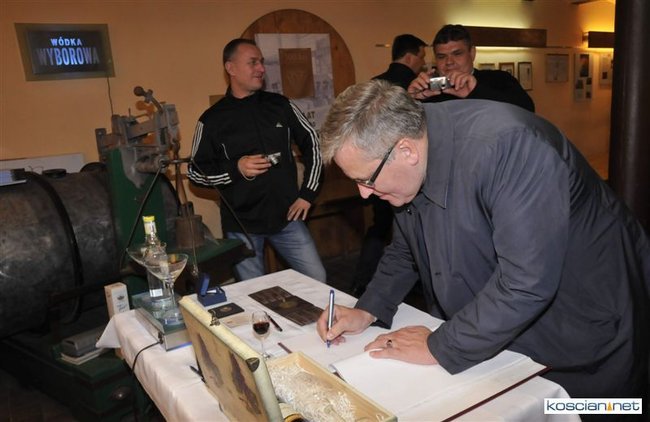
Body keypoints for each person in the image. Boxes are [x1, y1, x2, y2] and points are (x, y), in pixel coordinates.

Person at [317, 80, 649, 405]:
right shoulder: (410, 155)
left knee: (588, 410)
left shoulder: (510, 147)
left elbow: (525, 282)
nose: (363, 194)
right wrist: (368, 308)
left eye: (366, 180)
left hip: (585, 322)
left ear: (406, 151)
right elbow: (407, 249)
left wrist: (440, 346)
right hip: (507, 326)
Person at [188, 38, 326, 283]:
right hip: (241, 227)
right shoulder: (211, 119)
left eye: (261, 62)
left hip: (288, 218)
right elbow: (195, 173)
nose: (261, 68)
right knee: (254, 294)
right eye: (253, 63)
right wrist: (236, 168)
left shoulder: (280, 105)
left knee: (317, 279)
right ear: (231, 68)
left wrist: (307, 194)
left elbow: (313, 144)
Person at [353, 34, 428, 297]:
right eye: (422, 56)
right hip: (404, 174)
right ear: (410, 56)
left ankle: (362, 282)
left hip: (375, 172)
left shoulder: (374, 87)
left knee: (381, 228)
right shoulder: (415, 88)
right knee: (409, 234)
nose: (423, 62)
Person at [408, 24, 535, 112]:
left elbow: (527, 110)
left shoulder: (499, 79)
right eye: (441, 57)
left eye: (457, 54)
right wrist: (411, 101)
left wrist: (476, 91)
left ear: (472, 53)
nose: (449, 62)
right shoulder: (429, 91)